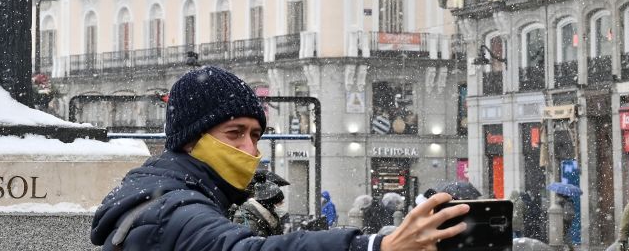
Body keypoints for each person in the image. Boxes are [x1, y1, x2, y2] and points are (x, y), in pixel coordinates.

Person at [92, 65, 470, 251]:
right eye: (234, 133)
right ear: (191, 141)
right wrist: (376, 247)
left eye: (255, 135)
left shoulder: (164, 191)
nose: (250, 150)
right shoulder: (173, 209)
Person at [232, 168, 290, 237]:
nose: (282, 204)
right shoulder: (248, 218)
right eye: (279, 202)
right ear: (271, 204)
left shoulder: (270, 218)